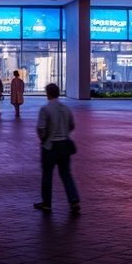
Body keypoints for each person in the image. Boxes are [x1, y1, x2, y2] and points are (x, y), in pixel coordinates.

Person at [33, 83, 80, 214]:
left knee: (47, 175)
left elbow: (41, 128)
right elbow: (71, 126)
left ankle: (47, 203)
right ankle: (74, 199)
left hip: (50, 146)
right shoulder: (66, 109)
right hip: (64, 145)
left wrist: (43, 139)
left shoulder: (45, 109)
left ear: (48, 94)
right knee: (66, 174)